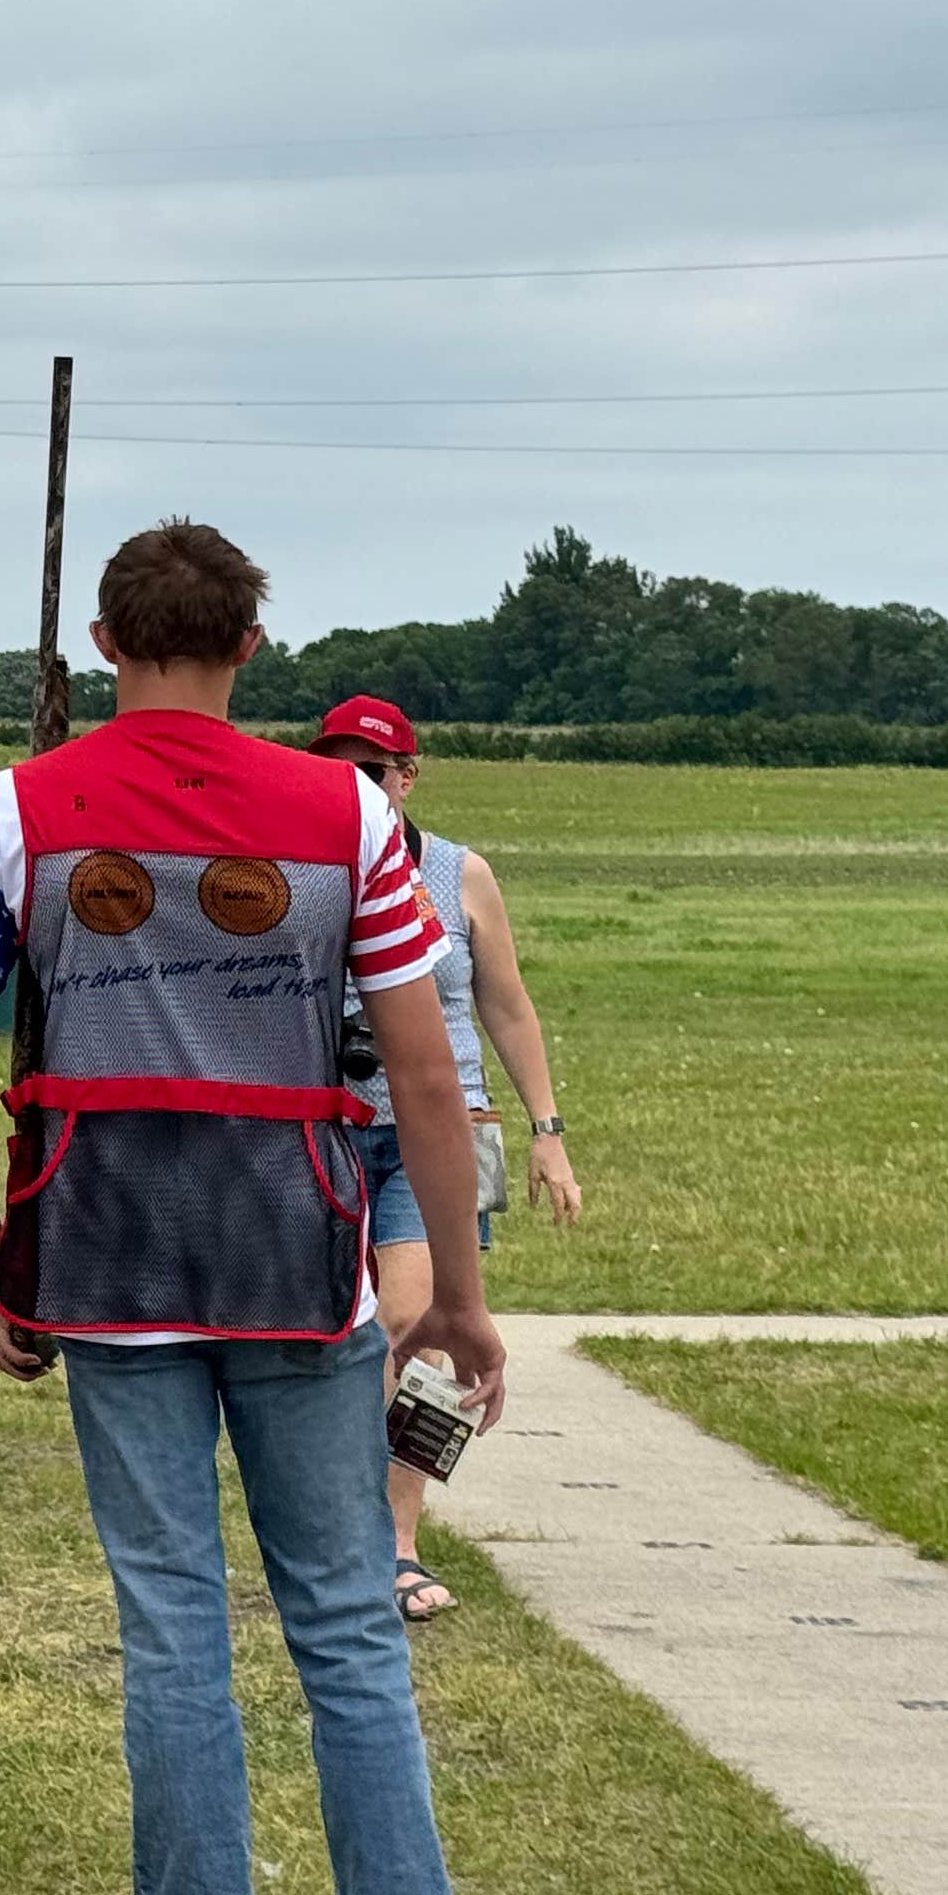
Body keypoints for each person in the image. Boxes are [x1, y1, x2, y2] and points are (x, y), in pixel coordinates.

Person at [0, 521, 502, 1895]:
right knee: (349, 1635)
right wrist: (454, 1282)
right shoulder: (349, 812)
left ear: (104, 638)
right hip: (295, 1255)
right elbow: (426, 1072)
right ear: (250, 642)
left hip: (103, 1262)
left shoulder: (5, 811)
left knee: (173, 1637)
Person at [308, 695, 579, 1623]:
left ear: (408, 776)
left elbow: (506, 1005)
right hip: (331, 1129)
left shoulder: (461, 874)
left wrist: (548, 1134)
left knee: (417, 1328)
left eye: (374, 771)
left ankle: (396, 1542)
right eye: (338, 769)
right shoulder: (305, 871)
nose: (360, 786)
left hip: (442, 1136)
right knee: (339, 1342)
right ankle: (337, 1525)